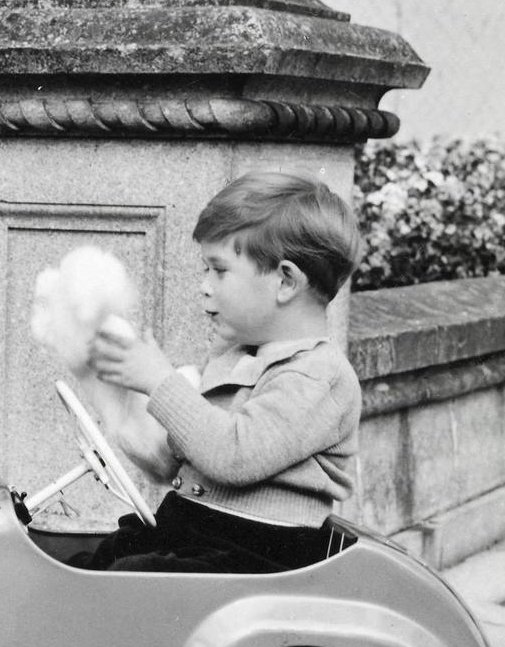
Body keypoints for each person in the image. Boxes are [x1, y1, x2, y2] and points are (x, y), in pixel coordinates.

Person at [76, 170, 363, 573]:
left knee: (132, 577)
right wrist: (122, 397)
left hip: (259, 555)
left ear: (285, 282)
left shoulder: (320, 376)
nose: (204, 286)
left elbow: (234, 455)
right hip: (198, 533)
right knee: (97, 560)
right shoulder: (239, 356)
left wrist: (160, 382)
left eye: (219, 270)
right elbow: (178, 457)